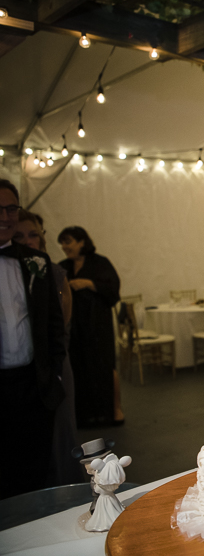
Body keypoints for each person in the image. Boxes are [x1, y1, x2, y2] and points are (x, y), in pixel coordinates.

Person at [0, 179, 67, 498]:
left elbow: (55, 325)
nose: (5, 216)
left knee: (36, 468)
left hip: (33, 384)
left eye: (11, 208)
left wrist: (53, 373)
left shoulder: (35, 262)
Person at [58, 226, 122, 428]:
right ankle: (82, 415)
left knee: (101, 367)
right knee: (78, 368)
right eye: (62, 243)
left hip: (97, 327)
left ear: (81, 242)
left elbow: (113, 290)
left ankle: (107, 414)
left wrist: (88, 283)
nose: (64, 247)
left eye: (68, 242)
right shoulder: (62, 266)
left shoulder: (100, 263)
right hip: (74, 328)